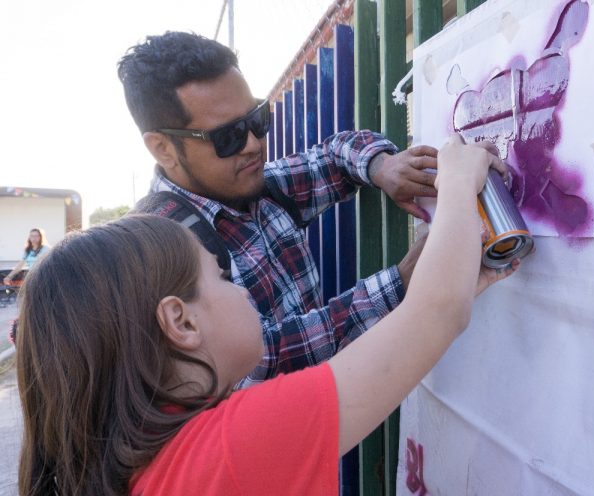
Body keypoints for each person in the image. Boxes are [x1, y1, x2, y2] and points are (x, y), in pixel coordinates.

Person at [16, 136, 520, 496]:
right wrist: (457, 180)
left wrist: (457, 276)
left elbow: (437, 304)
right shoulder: (230, 451)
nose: (239, 287)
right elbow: (436, 313)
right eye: (220, 275)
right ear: (181, 322)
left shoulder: (139, 468)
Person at [117, 31, 441, 385]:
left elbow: (334, 154)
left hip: (326, 420)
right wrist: (402, 281)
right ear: (163, 148)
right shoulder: (155, 254)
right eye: (228, 137)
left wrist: (381, 166)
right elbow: (258, 359)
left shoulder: (260, 186)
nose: (254, 145)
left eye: (257, 119)